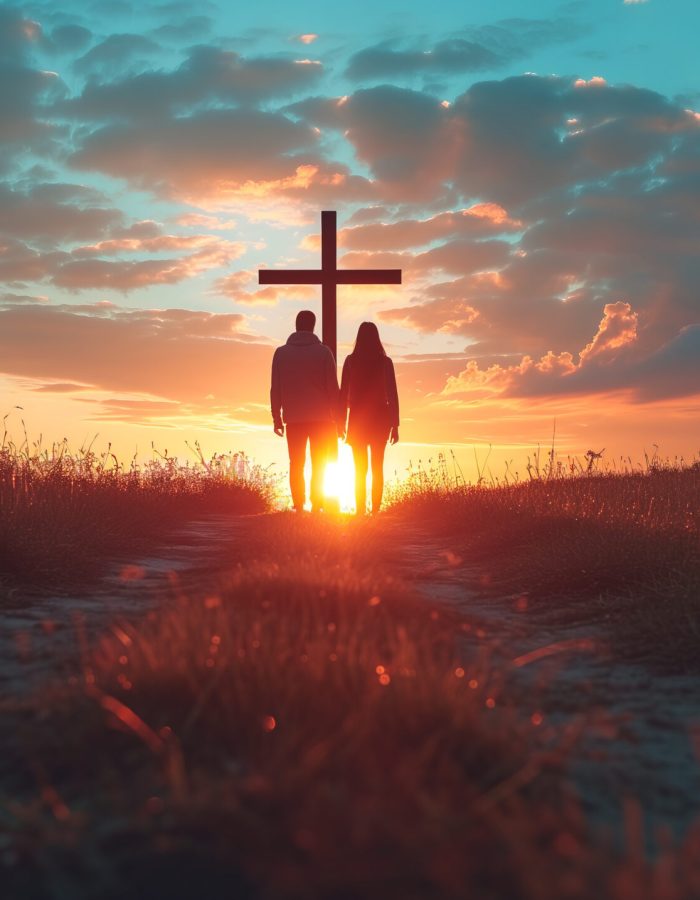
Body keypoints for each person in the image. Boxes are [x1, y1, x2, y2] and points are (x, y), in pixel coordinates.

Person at [270, 310, 340, 512]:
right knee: (319, 462)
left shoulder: (281, 353)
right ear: (313, 326)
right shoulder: (324, 352)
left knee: (297, 463)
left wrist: (277, 417)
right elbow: (332, 388)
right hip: (322, 419)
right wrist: (338, 417)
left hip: (294, 418)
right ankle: (317, 503)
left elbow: (276, 387)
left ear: (296, 325)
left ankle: (299, 504)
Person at [339, 322, 399, 515]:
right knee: (377, 467)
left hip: (357, 418)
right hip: (381, 417)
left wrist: (341, 422)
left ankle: (359, 511)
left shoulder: (351, 361)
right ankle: (375, 510)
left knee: (360, 469)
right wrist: (395, 425)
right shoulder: (385, 362)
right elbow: (392, 394)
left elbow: (343, 394)